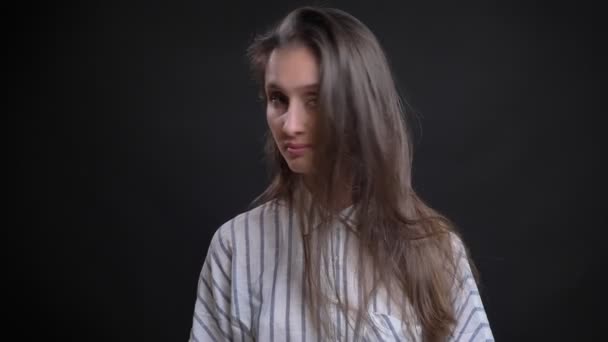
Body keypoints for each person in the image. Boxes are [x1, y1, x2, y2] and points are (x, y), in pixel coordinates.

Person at [189, 6, 494, 342]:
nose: (290, 125)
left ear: (360, 105)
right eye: (278, 99)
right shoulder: (236, 248)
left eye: (315, 100)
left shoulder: (436, 252)